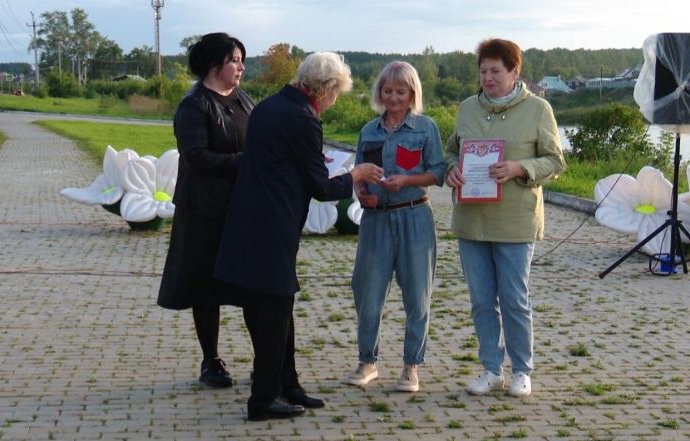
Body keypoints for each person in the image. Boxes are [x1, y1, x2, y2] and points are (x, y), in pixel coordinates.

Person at [214, 52, 384, 421]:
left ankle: (287, 383)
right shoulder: (303, 117)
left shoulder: (269, 106)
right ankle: (263, 399)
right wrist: (356, 175)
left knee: (276, 305)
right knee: (275, 310)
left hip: (250, 218)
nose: (334, 100)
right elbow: (321, 187)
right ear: (324, 90)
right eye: (336, 92)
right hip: (274, 225)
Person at [444, 38, 566, 397]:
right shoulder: (467, 108)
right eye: (483, 71)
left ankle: (522, 370)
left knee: (514, 299)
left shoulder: (538, 109)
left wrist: (519, 167)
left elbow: (556, 161)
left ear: (515, 72)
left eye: (496, 71)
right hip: (471, 221)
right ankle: (491, 368)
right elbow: (452, 150)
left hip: (515, 221)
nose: (488, 77)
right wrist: (451, 169)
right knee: (481, 300)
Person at [157, 32, 254, 389]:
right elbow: (196, 157)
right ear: (214, 65)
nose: (241, 66)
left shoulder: (244, 100)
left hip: (241, 209)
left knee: (252, 285)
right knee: (206, 287)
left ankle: (267, 358)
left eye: (242, 59)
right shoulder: (194, 105)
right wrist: (247, 162)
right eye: (234, 60)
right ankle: (211, 360)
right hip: (204, 211)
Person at [343, 61, 446, 393]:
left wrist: (408, 180)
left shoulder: (425, 128)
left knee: (417, 294)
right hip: (375, 219)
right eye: (387, 91)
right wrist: (361, 194)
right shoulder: (368, 130)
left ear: (412, 93)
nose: (394, 98)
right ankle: (367, 361)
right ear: (379, 92)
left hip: (415, 215)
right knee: (367, 291)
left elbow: (439, 173)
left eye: (401, 91)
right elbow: (358, 175)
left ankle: (411, 366)